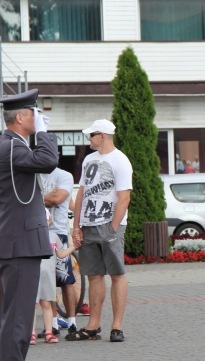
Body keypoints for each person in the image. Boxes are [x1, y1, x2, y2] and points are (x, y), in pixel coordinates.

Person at [0, 88, 58, 361]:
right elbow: (47, 161)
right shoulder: (12, 146)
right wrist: (44, 134)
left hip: (18, 242)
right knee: (16, 319)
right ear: (21, 117)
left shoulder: (11, 145)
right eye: (35, 114)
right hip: (19, 244)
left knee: (10, 320)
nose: (39, 119)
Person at [69, 119, 132, 343]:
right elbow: (81, 194)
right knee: (94, 275)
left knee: (116, 274)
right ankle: (93, 325)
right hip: (89, 223)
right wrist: (77, 226)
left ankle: (117, 326)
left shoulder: (120, 160)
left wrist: (113, 229)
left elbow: (124, 199)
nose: (89, 139)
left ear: (102, 135)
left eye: (92, 135)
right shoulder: (88, 160)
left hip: (109, 224)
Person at [39, 165, 78, 337]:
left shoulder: (64, 175)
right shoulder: (34, 175)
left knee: (65, 280)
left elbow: (59, 198)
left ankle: (72, 322)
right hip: (38, 233)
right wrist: (46, 197)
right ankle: (53, 324)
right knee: (47, 280)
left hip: (59, 233)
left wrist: (37, 198)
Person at [32, 211, 76, 345]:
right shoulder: (30, 236)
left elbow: (61, 254)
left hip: (48, 277)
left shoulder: (54, 236)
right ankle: (31, 333)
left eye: (45, 220)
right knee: (32, 305)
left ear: (49, 220)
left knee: (46, 303)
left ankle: (49, 332)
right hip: (33, 275)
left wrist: (74, 246)